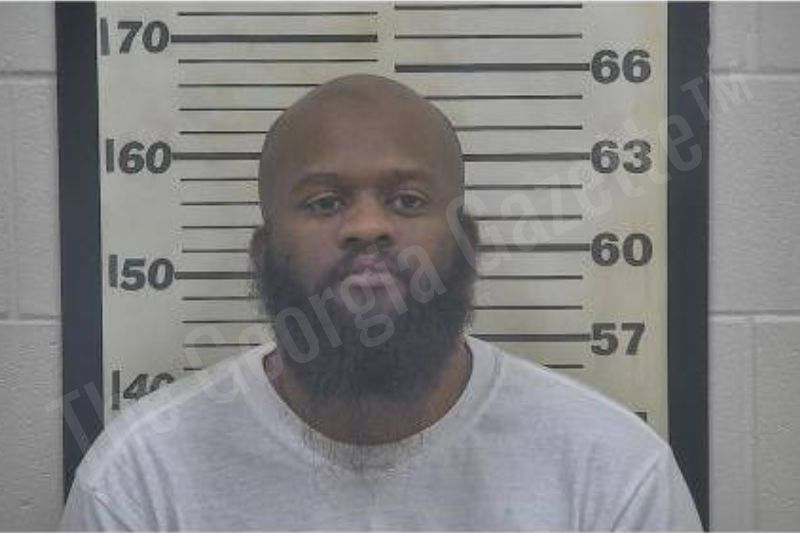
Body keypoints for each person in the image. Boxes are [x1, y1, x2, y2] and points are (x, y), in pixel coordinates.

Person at [60, 74, 701, 530]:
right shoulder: (140, 480)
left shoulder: (615, 473)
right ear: (262, 253)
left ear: (467, 242)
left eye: (407, 201)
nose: (368, 227)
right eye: (324, 202)